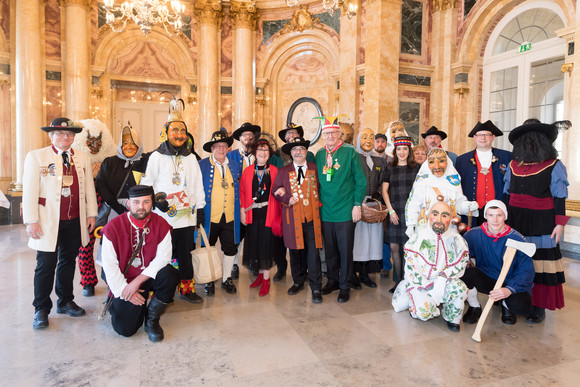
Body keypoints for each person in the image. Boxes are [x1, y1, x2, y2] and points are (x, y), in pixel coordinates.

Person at [23, 117, 98, 329]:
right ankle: (41, 309)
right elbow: (29, 192)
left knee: (67, 262)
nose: (66, 137)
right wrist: (31, 220)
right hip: (47, 223)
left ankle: (65, 300)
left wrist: (91, 213)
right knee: (45, 265)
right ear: (51, 135)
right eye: (61, 134)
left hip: (74, 220)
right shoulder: (37, 157)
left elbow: (89, 190)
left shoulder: (82, 157)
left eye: (70, 134)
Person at [141, 98, 206, 304]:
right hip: (162, 217)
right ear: (166, 132)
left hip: (186, 217)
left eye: (182, 131)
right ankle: (160, 289)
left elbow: (197, 186)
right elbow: (147, 183)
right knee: (161, 254)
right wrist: (154, 201)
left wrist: (201, 209)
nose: (178, 135)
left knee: (184, 254)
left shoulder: (191, 158)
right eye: (174, 130)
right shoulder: (156, 157)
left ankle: (186, 289)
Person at [504, 121, 570, 323]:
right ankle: (512, 301)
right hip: (516, 219)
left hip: (542, 221)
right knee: (515, 260)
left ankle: (539, 306)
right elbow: (507, 194)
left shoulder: (555, 165)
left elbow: (559, 197)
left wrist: (559, 223)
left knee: (540, 263)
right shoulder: (513, 165)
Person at [101, 185, 180, 342]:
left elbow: (163, 258)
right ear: (128, 204)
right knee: (125, 329)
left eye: (146, 202)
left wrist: (137, 283)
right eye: (136, 202)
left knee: (170, 274)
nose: (141, 207)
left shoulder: (161, 224)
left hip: (147, 277)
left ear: (152, 203)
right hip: (124, 279)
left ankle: (152, 319)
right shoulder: (113, 228)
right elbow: (109, 265)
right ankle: (120, 304)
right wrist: (125, 289)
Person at [392, 200, 470, 332]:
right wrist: (426, 284)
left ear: (450, 219)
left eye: (444, 215)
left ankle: (452, 318)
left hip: (444, 281)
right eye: (435, 214)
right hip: (421, 283)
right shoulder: (417, 238)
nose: (439, 219)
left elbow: (460, 264)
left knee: (460, 288)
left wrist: (442, 279)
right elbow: (411, 267)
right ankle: (414, 300)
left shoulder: (457, 240)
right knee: (424, 313)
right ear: (429, 216)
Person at [315, 115, 366, 303]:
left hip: (346, 209)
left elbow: (361, 181)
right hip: (326, 210)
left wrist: (357, 204)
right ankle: (333, 281)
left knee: (345, 250)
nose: (330, 136)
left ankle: (345, 285)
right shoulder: (320, 154)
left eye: (333, 133)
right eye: (326, 133)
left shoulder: (349, 152)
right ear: (322, 135)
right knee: (330, 250)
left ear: (339, 134)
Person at [461, 200, 534, 325]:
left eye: (499, 215)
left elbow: (526, 271)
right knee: (465, 275)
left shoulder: (518, 239)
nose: (495, 220)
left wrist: (509, 289)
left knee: (521, 306)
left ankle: (505, 304)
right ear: (485, 216)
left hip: (510, 281)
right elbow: (460, 252)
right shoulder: (474, 234)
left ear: (505, 216)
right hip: (487, 277)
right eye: (491, 215)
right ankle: (474, 307)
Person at [273, 137, 324, 303]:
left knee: (313, 252)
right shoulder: (283, 171)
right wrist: (287, 198)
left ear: (306, 152)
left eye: (301, 148)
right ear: (291, 153)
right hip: (292, 218)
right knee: (294, 251)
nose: (298, 152)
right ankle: (298, 281)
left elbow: (324, 189)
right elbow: (276, 190)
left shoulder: (316, 169)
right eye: (295, 150)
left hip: (312, 218)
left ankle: (316, 287)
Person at [72, 118, 116, 297]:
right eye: (90, 141)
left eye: (98, 141)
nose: (94, 145)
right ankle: (88, 281)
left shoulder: (111, 161)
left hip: (107, 207)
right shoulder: (76, 160)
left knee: (111, 246)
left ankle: (111, 279)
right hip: (85, 208)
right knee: (85, 245)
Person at [269, 123, 316, 282]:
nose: (291, 136)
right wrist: (285, 196)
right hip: (284, 206)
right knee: (287, 240)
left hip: (308, 209)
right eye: (288, 134)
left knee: (308, 244)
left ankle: (307, 273)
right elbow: (276, 183)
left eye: (294, 133)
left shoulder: (309, 158)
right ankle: (283, 269)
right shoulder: (276, 156)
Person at [199, 129, 242, 295]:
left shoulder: (234, 165)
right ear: (212, 149)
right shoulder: (202, 165)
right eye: (217, 146)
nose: (221, 149)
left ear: (228, 148)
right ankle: (210, 280)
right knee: (208, 248)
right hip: (210, 215)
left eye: (224, 146)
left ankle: (226, 278)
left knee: (230, 248)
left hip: (230, 215)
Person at [239, 138, 283, 297]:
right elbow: (242, 193)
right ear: (255, 153)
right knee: (254, 246)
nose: (263, 153)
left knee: (265, 247)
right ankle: (259, 275)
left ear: (269, 154)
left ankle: (266, 280)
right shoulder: (248, 171)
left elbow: (280, 192)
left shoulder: (275, 171)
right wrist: (243, 210)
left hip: (268, 215)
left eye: (266, 150)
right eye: (260, 150)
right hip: (252, 214)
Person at [405, 148, 479, 238]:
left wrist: (467, 206)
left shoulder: (453, 182)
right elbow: (413, 205)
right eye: (432, 162)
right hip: (425, 231)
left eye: (441, 161)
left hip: (449, 231)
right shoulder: (422, 183)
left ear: (447, 162)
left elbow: (457, 206)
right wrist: (410, 225)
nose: (437, 166)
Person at [381, 136, 420, 292]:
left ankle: (410, 281)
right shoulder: (389, 167)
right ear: (395, 151)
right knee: (395, 247)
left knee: (408, 247)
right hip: (394, 211)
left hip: (411, 213)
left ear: (409, 150)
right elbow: (384, 191)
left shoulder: (417, 168)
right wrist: (390, 211)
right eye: (399, 149)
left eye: (405, 149)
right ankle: (400, 281)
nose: (402, 152)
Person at [456, 120, 512, 226]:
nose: (483, 138)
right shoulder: (462, 160)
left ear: (493, 137)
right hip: (472, 210)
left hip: (498, 210)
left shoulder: (507, 157)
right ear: (474, 137)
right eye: (480, 135)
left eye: (487, 135)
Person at [352, 128, 387, 289]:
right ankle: (353, 274)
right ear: (358, 139)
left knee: (371, 242)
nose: (368, 140)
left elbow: (383, 181)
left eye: (371, 137)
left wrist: (378, 196)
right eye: (364, 137)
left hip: (373, 206)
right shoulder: (353, 157)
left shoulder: (379, 160)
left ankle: (366, 274)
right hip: (357, 205)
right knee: (356, 241)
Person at [227, 122, 261, 279]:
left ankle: (254, 262)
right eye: (244, 135)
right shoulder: (230, 156)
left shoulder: (261, 154)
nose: (248, 137)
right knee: (237, 236)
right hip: (237, 203)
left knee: (255, 235)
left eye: (250, 135)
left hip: (257, 202)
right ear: (239, 138)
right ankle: (234, 264)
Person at [371, 131, 393, 279]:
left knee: (385, 235)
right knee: (373, 235)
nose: (380, 144)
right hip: (371, 202)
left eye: (382, 142)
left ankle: (386, 265)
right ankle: (372, 264)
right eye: (377, 141)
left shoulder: (391, 160)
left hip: (387, 202)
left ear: (386, 144)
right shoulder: (368, 159)